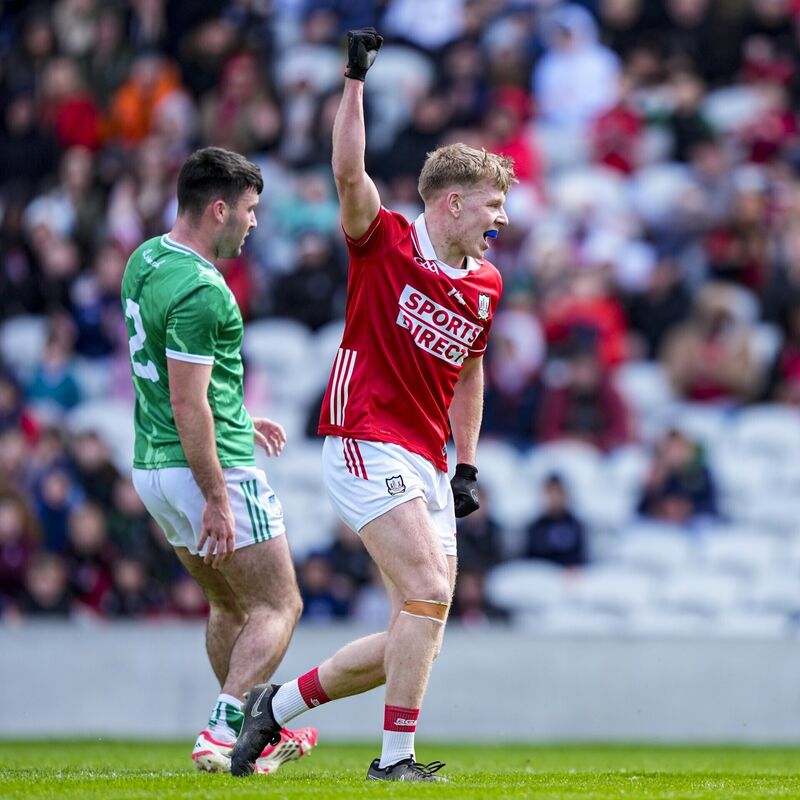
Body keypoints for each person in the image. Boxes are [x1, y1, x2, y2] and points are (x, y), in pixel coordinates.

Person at [231, 29, 515, 782]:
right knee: (425, 595)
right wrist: (354, 79)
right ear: (451, 202)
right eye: (493, 204)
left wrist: (467, 464)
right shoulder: (381, 238)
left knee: (416, 625)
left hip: (426, 458)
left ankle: (276, 708)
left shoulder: (486, 283)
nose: (503, 218)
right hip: (362, 438)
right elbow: (347, 168)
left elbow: (470, 372)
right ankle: (395, 762)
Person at [120, 147, 316, 775]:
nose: (255, 223)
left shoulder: (144, 258)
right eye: (251, 210)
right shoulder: (205, 290)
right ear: (219, 208)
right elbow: (187, 401)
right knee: (279, 606)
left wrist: (237, 415)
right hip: (208, 468)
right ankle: (226, 728)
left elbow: (178, 381)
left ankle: (247, 735)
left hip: (151, 468)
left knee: (229, 606)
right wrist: (217, 495)